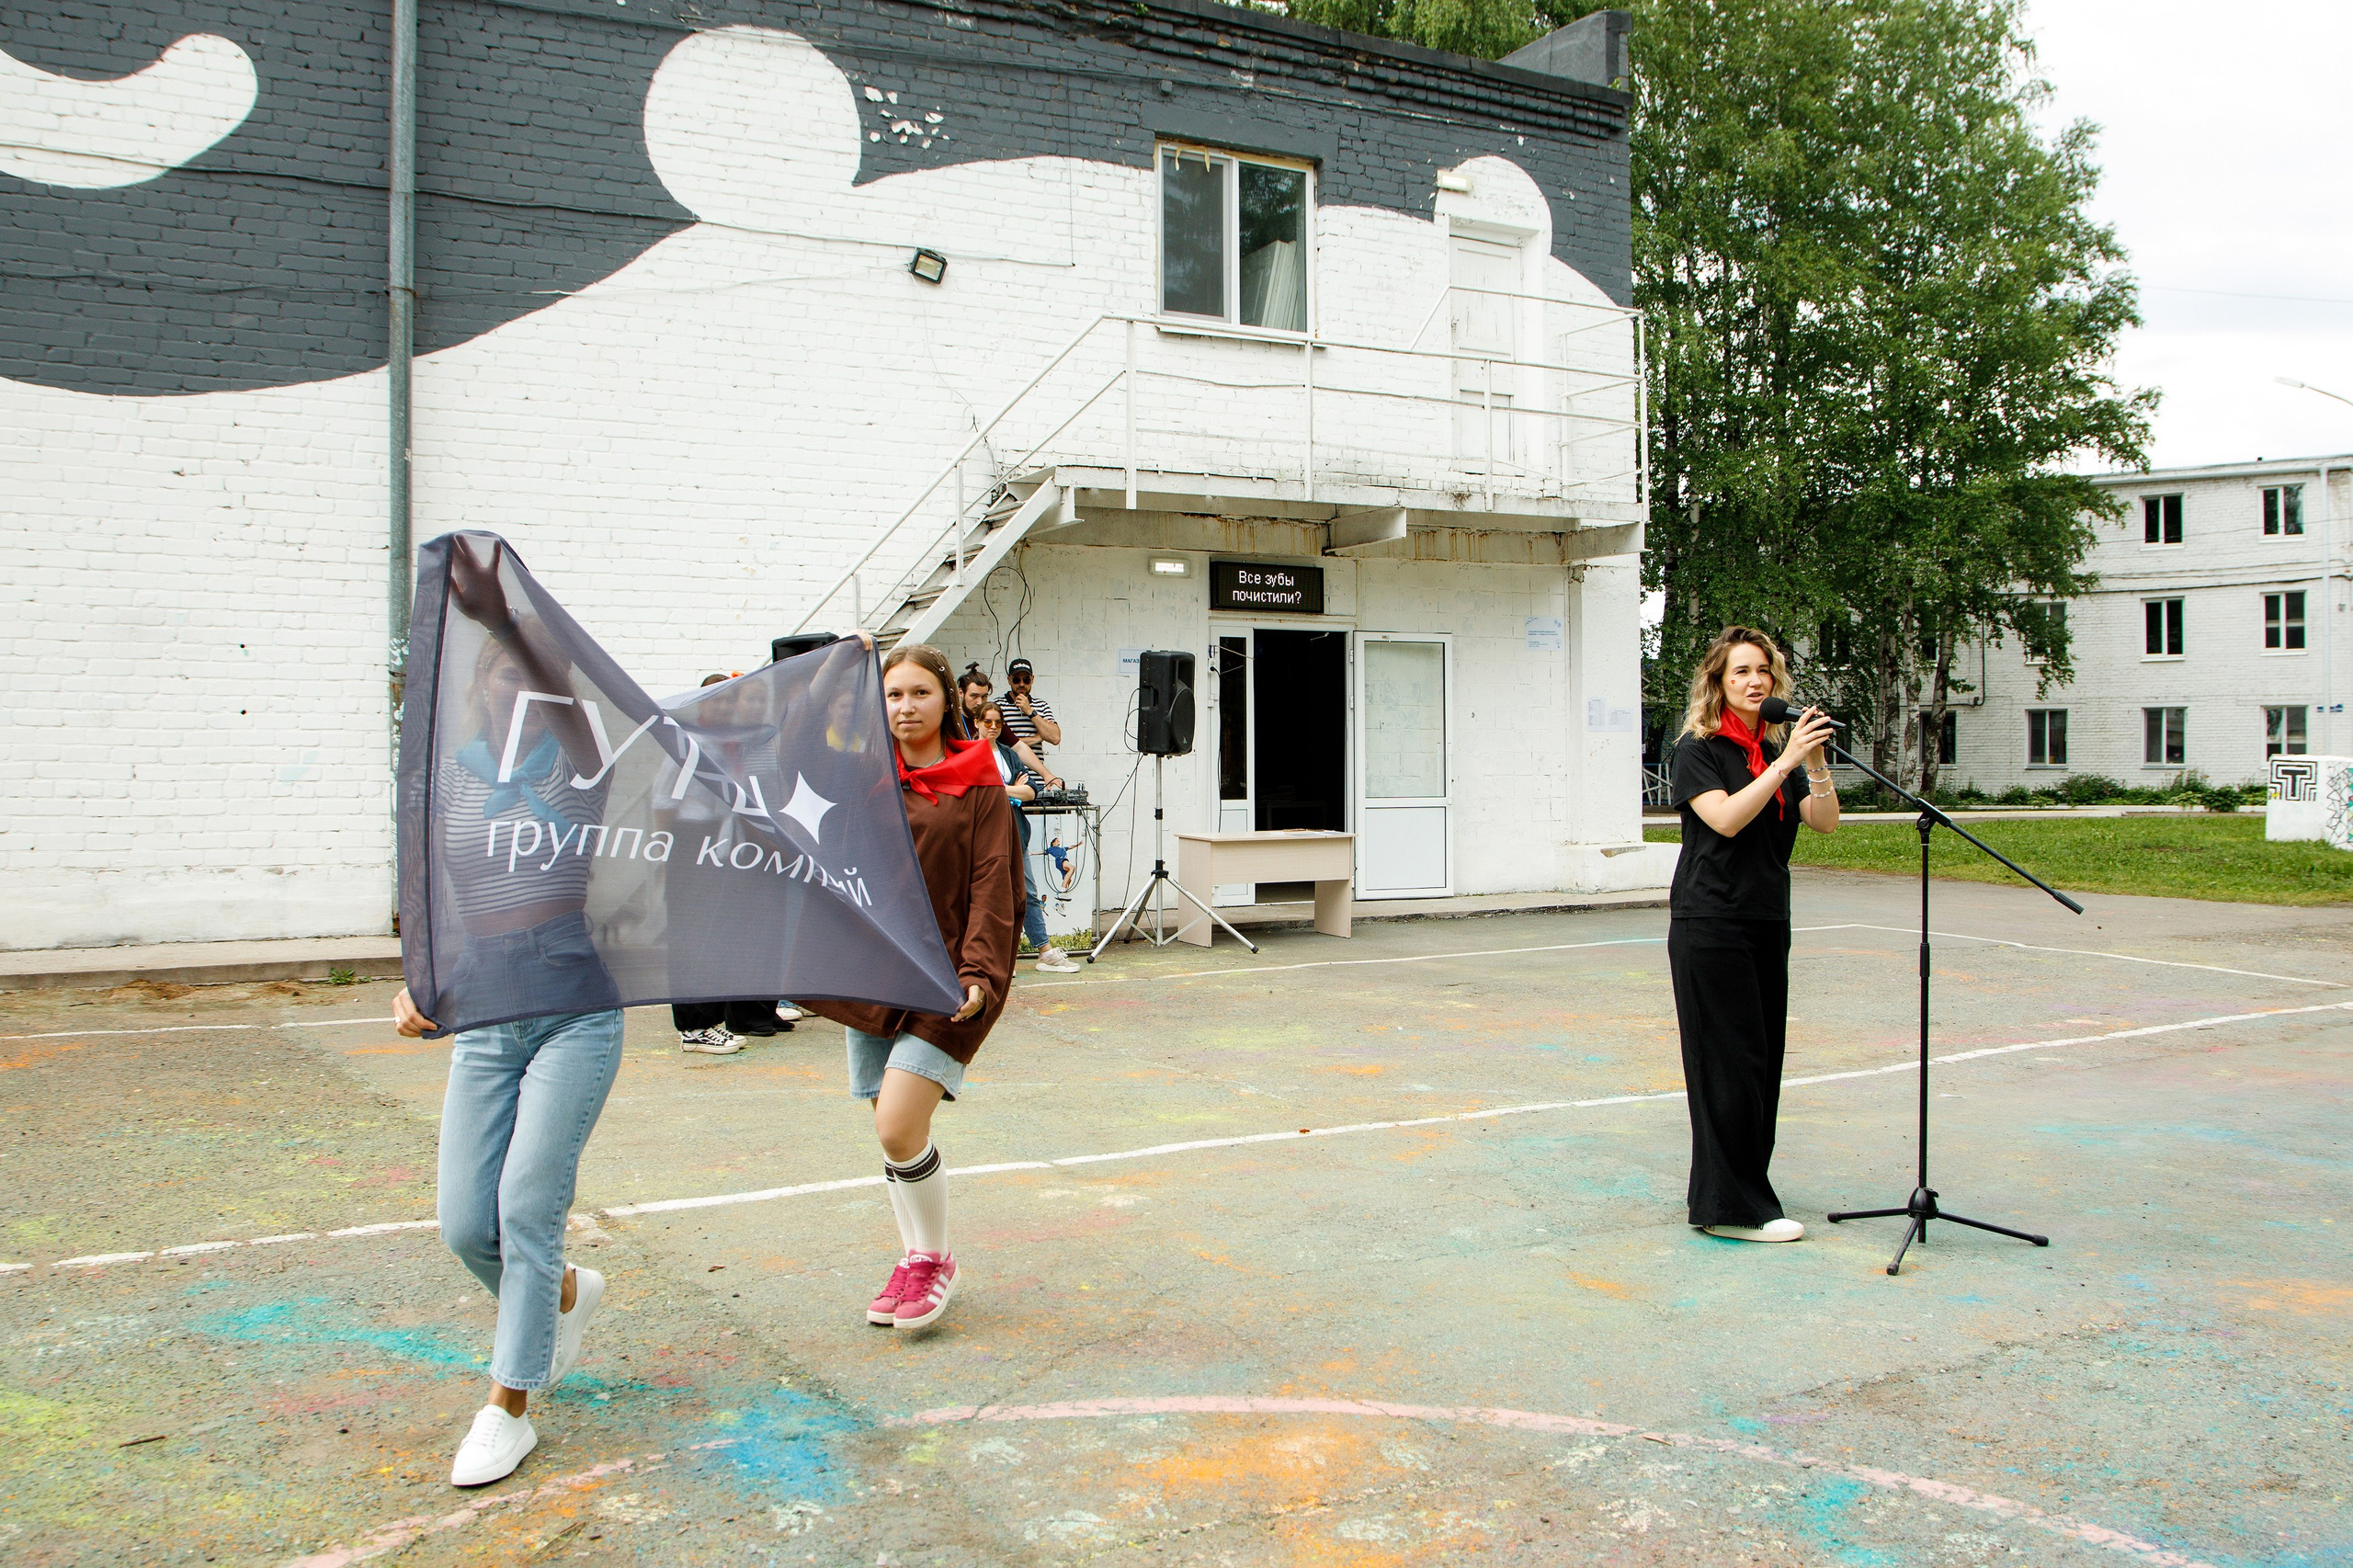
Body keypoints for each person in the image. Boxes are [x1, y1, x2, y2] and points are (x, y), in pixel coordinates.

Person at [394, 544, 621, 1488]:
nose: (509, 683)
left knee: (527, 1206)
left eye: (524, 672)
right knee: (463, 1224)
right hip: (488, 1010)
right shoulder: (452, 774)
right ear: (476, 689)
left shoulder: (581, 764)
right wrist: (422, 978)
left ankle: (509, 1402)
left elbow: (562, 707)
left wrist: (499, 621)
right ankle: (567, 1294)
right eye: (494, 670)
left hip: (572, 1005)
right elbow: (440, 898)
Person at [801, 642, 1021, 1331]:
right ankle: (917, 1255)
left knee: (899, 1122)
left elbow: (994, 882)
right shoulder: (864, 776)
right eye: (892, 695)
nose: (904, 708)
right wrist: (833, 673)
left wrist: (980, 972)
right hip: (877, 974)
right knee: (890, 1127)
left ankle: (933, 1260)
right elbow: (790, 753)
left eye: (918, 693)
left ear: (946, 697)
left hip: (953, 978)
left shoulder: (978, 776)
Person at [1665, 625, 1841, 1244]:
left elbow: (1823, 823)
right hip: (1710, 921)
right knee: (1727, 1065)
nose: (1755, 681)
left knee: (1760, 1064)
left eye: (1763, 670)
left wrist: (1811, 764)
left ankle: (1744, 1192)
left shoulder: (1769, 753)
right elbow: (1727, 819)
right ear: (1718, 682)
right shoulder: (1699, 750)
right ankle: (1728, 1210)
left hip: (1766, 917)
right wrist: (1788, 760)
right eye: (1740, 671)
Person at [668, 673, 796, 1054]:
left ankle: (727, 1013)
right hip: (693, 840)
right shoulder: (690, 743)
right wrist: (671, 855)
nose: (726, 708)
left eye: (731, 700)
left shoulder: (736, 745)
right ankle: (695, 1025)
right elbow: (664, 802)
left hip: (729, 844)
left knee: (726, 929)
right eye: (720, 700)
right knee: (695, 932)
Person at [977, 701, 1080, 973]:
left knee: (1026, 892)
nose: (993, 727)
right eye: (987, 722)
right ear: (976, 723)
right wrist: (1012, 790)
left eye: (998, 723)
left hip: (1014, 829)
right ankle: (995, 957)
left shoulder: (1008, 755)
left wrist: (1003, 789)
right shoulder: (969, 755)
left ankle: (1044, 952)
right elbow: (978, 791)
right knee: (988, 895)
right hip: (983, 834)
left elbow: (1031, 791)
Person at [997, 656, 1061, 756]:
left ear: (1032, 679)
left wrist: (1030, 712)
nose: (1021, 684)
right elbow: (998, 743)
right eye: (1016, 680)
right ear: (1009, 680)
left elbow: (1055, 738)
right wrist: (1036, 738)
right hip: (1010, 770)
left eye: (1026, 680)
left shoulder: (1041, 705)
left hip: (1035, 770)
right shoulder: (998, 706)